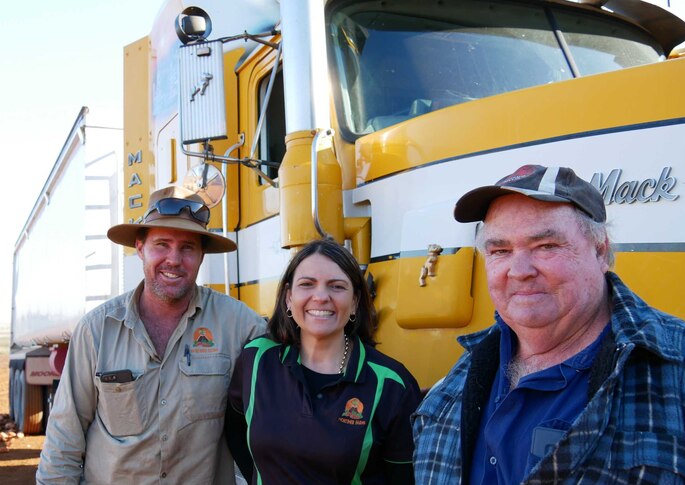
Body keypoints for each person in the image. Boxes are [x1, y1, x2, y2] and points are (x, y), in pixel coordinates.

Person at [412, 164, 685, 484]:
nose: (519, 270)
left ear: (600, 251)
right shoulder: (453, 383)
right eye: (500, 250)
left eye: (546, 246)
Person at [37, 186, 266, 484]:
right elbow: (64, 439)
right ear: (140, 248)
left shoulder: (241, 327)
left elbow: (275, 425)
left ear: (201, 256)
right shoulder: (96, 330)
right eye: (162, 244)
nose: (174, 259)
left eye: (187, 247)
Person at [227, 239, 422, 484]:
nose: (320, 296)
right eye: (307, 284)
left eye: (336, 286)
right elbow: (234, 430)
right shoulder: (257, 359)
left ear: (355, 302)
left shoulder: (392, 384)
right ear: (289, 298)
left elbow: (405, 478)